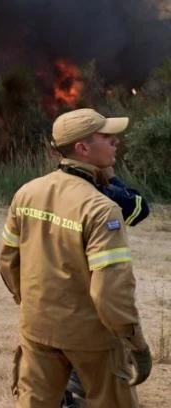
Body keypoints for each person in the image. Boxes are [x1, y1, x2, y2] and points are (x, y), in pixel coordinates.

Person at [0, 108, 152, 408]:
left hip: (38, 329)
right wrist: (135, 342)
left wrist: (33, 305)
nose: (115, 142)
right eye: (106, 137)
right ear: (83, 148)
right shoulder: (101, 209)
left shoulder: (26, 193)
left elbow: (7, 262)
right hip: (92, 338)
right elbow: (109, 292)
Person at [62, 163, 150, 408]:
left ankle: (70, 389)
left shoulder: (51, 187)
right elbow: (139, 209)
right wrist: (111, 178)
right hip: (93, 280)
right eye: (107, 140)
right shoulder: (100, 194)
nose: (115, 144)